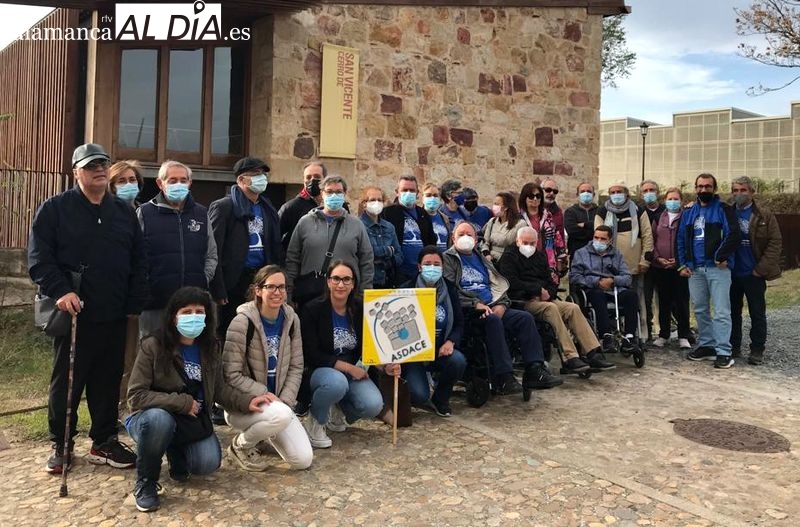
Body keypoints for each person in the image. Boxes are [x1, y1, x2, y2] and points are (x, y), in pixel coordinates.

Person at [28, 143, 147, 475]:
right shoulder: (54, 210)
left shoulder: (123, 213)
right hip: (74, 315)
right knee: (67, 382)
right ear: (75, 171)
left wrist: (134, 301)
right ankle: (62, 444)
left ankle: (104, 441)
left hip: (114, 313)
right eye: (91, 164)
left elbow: (139, 260)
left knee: (108, 380)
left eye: (103, 163)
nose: (99, 168)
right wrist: (61, 290)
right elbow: (39, 260)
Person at [126, 286, 272, 512]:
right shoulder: (153, 345)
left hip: (190, 423)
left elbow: (220, 389)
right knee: (159, 421)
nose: (193, 317)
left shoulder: (210, 346)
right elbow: (136, 396)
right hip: (150, 418)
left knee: (207, 463)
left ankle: (175, 451)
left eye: (199, 311)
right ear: (174, 316)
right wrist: (182, 403)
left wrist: (247, 401)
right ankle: (146, 482)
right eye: (186, 312)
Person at [443, 221, 562, 394]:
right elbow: (450, 290)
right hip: (469, 311)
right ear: (453, 238)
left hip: (493, 305)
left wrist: (502, 304)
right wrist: (476, 304)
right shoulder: (448, 259)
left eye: (469, 234)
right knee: (493, 321)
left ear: (476, 239)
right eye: (461, 234)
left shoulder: (482, 259)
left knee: (524, 318)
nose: (465, 238)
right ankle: (504, 376)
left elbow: (499, 285)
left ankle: (535, 369)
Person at [222, 265, 312, 471]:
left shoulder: (291, 320)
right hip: (246, 404)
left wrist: (286, 400)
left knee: (303, 460)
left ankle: (266, 433)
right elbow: (231, 374)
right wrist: (265, 394)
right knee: (279, 415)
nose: (277, 292)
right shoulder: (242, 322)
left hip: (279, 405)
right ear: (258, 291)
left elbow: (297, 366)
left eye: (282, 287)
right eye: (271, 287)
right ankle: (240, 445)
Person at [300, 261, 392, 448]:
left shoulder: (361, 309)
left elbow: (369, 346)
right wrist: (347, 368)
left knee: (373, 405)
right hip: (321, 369)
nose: (340, 284)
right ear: (328, 282)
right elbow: (311, 353)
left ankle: (337, 410)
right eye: (336, 279)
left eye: (346, 279)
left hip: (352, 369)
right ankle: (316, 421)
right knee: (336, 383)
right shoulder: (312, 309)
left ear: (353, 284)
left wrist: (385, 366)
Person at [498, 227, 614, 372]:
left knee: (572, 308)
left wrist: (548, 293)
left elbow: (551, 281)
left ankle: (592, 352)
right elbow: (511, 282)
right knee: (551, 309)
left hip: (544, 298)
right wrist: (536, 291)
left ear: (537, 243)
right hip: (523, 301)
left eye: (532, 243)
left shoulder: (539, 256)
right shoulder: (509, 257)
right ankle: (570, 356)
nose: (528, 246)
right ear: (517, 241)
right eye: (525, 242)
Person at [137, 160, 218, 338]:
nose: (178, 184)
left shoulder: (201, 213)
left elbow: (211, 254)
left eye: (183, 180)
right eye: (172, 180)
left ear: (190, 183)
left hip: (192, 306)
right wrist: (147, 284)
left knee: (189, 357)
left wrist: (203, 278)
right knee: (153, 355)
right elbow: (136, 257)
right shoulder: (145, 213)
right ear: (160, 183)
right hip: (156, 303)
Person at [208, 157, 281, 337]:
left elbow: (275, 244)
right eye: (255, 175)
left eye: (262, 174)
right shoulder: (224, 207)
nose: (261, 178)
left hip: (262, 277)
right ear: (241, 180)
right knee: (232, 330)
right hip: (235, 280)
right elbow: (213, 249)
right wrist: (218, 288)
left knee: (259, 330)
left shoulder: (267, 207)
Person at [677, 173, 741, 369]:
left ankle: (724, 351)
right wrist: (682, 264)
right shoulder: (688, 212)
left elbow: (734, 235)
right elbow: (680, 239)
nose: (703, 190)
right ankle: (707, 345)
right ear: (695, 188)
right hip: (695, 270)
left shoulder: (723, 209)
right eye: (700, 186)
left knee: (721, 311)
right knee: (700, 309)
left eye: (708, 186)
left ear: (714, 188)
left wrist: (721, 256)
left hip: (717, 269)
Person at [286, 175, 374, 306]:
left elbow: (366, 260)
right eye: (329, 192)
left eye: (338, 192)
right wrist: (289, 294)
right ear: (322, 194)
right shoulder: (305, 222)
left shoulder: (356, 224)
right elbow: (292, 259)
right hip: (310, 295)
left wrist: (363, 293)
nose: (334, 195)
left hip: (346, 296)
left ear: (344, 194)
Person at [402, 246, 467, 417]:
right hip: (414, 355)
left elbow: (459, 322)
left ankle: (441, 398)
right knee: (419, 395)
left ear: (443, 267)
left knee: (458, 361)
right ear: (419, 267)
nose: (432, 268)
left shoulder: (451, 290)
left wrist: (451, 341)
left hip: (440, 350)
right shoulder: (406, 289)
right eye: (427, 263)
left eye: (436, 264)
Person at [729, 176, 782, 365]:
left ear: (752, 192)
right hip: (732, 273)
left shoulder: (764, 215)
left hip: (753, 274)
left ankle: (757, 349)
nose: (739, 194)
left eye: (743, 190)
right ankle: (733, 346)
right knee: (732, 313)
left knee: (757, 313)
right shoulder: (727, 212)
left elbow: (775, 243)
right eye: (735, 190)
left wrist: (760, 270)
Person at [594, 181, 653, 338]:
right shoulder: (602, 211)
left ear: (627, 194)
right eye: (612, 192)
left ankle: (641, 335)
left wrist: (645, 260)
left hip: (634, 266)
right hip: (609, 267)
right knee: (613, 300)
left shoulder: (638, 210)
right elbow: (598, 235)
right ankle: (613, 330)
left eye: (619, 191)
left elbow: (647, 235)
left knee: (638, 300)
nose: (616, 195)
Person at [569, 225, 639, 354]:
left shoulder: (616, 254)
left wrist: (613, 280)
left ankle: (629, 337)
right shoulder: (581, 253)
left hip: (615, 289)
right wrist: (596, 282)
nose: (599, 241)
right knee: (597, 295)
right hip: (593, 289)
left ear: (610, 240)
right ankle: (606, 335)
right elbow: (575, 277)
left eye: (603, 239)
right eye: (596, 238)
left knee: (631, 296)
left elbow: (627, 277)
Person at [650, 188, 692, 350]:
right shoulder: (658, 217)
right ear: (665, 200)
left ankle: (684, 335)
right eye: (670, 199)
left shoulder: (686, 216)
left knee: (682, 301)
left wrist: (681, 260)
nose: (672, 202)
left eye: (676, 199)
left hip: (680, 267)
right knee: (664, 301)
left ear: (681, 201)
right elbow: (652, 239)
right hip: (661, 266)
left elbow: (689, 240)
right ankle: (664, 334)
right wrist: (658, 258)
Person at [381, 174, 437, 285]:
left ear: (417, 193)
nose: (408, 193)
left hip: (420, 274)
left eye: (412, 190)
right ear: (397, 192)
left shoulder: (423, 214)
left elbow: (431, 242)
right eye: (404, 190)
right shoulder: (387, 213)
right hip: (398, 273)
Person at [278, 161, 326, 253]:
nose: (312, 180)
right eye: (308, 177)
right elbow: (274, 238)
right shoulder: (291, 207)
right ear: (303, 180)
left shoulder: (332, 206)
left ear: (325, 179)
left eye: (317, 177)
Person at [359, 186, 402, 288]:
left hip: (388, 281)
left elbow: (399, 256)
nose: (376, 202)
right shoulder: (358, 225)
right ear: (364, 203)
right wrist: (387, 251)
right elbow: (364, 254)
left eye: (379, 200)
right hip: (367, 283)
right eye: (372, 200)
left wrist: (384, 260)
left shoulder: (389, 227)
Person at [639, 179, 665, 341]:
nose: (649, 193)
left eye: (652, 190)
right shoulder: (639, 212)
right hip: (648, 261)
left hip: (664, 262)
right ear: (641, 194)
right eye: (646, 190)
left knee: (666, 299)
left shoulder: (666, 210)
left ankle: (665, 331)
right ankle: (646, 332)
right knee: (645, 298)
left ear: (658, 192)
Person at [481, 191, 526, 261]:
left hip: (509, 261)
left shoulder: (520, 224)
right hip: (490, 260)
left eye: (497, 204)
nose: (494, 207)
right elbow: (485, 242)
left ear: (506, 207)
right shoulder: (492, 221)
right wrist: (487, 254)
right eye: (494, 204)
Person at [564, 181, 598, 261]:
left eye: (589, 191)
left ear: (593, 195)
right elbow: (572, 231)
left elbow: (603, 229)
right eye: (582, 191)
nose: (586, 193)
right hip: (577, 254)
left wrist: (585, 225)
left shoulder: (600, 211)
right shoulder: (570, 212)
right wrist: (593, 229)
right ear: (577, 195)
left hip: (597, 254)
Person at [421, 183, 451, 251]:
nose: (432, 198)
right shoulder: (419, 216)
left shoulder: (445, 219)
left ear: (440, 198)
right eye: (428, 195)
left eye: (435, 195)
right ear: (423, 198)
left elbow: (448, 242)